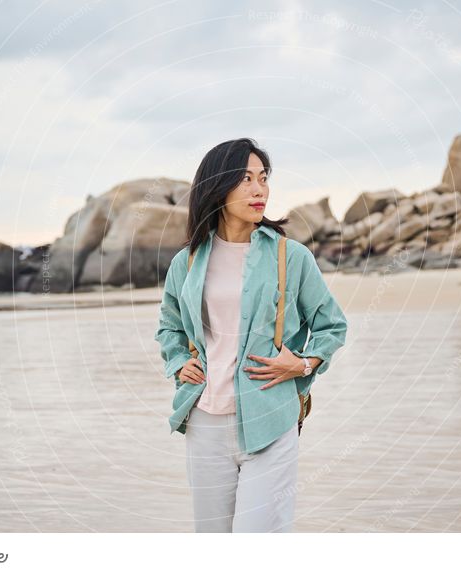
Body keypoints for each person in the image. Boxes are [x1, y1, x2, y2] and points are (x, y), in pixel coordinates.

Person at [154, 137, 348, 532]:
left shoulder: (290, 256)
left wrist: (305, 362)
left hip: (270, 418)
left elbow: (332, 324)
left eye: (263, 178)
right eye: (245, 179)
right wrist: (179, 362)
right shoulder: (187, 260)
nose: (259, 189)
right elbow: (169, 325)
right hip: (205, 420)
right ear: (217, 185)